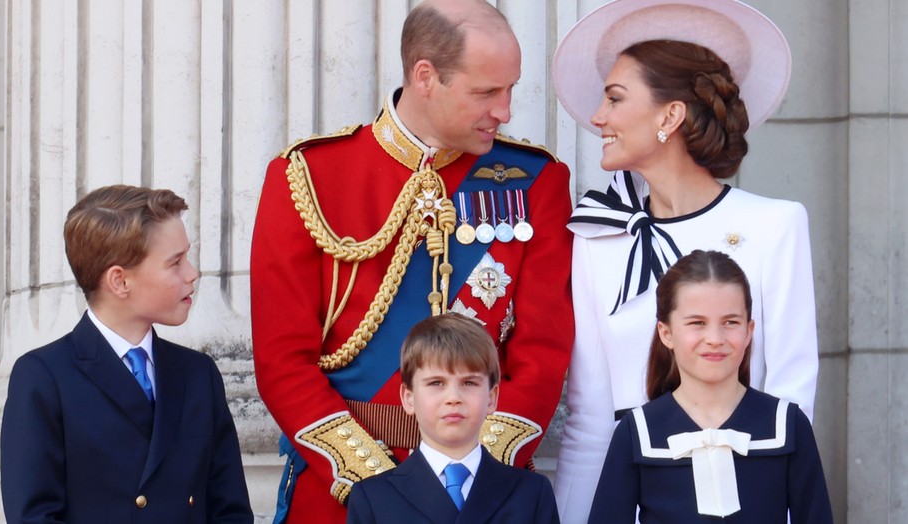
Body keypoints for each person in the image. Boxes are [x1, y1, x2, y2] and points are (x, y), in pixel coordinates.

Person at [250, 0, 573, 522]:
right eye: (486, 92)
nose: (506, 111)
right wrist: (380, 487)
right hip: (343, 491)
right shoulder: (308, 175)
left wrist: (470, 473)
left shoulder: (535, 180)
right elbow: (282, 361)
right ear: (425, 77)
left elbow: (543, 353)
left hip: (480, 493)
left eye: (511, 89)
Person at [550, 0, 819, 521]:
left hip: (747, 497)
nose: (597, 117)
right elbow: (589, 419)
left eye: (614, 98)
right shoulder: (597, 236)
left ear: (669, 116)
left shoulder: (776, 225)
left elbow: (791, 401)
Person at [0, 185, 253, 522]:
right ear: (119, 281)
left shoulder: (198, 373)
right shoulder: (44, 377)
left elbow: (231, 511)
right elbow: (34, 516)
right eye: (175, 262)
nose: (192, 273)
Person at [588, 250, 832, 522]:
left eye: (730, 322)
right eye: (697, 323)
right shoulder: (637, 431)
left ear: (749, 331)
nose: (715, 338)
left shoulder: (787, 424)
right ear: (666, 333)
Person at [346, 314, 560, 523]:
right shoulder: (373, 498)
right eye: (436, 383)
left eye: (469, 383)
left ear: (492, 398)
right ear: (408, 398)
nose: (453, 398)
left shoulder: (531, 494)